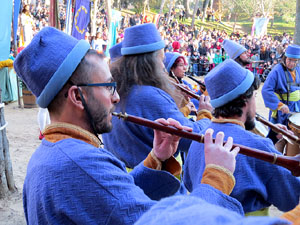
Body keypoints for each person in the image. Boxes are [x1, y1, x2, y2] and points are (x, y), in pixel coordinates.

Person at [14, 26, 245, 225]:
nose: (116, 98)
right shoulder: (82, 162)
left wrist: (155, 158)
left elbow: (110, 195)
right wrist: (217, 175)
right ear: (76, 96)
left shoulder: (49, 154)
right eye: (107, 87)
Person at [184, 59, 300, 215]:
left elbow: (188, 182)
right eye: (254, 96)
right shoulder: (258, 145)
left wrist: (271, 137)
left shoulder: (202, 137)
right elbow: (291, 198)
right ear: (246, 100)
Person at [103, 23, 213, 168]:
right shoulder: (148, 96)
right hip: (150, 182)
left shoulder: (117, 91)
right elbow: (191, 139)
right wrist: (205, 113)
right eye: (160, 60)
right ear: (149, 63)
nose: (163, 67)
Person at [262, 44, 300, 137]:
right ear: (285, 58)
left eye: (295, 61)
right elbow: (266, 90)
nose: (292, 63)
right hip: (281, 110)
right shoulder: (277, 70)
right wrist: (279, 105)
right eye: (289, 60)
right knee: (275, 137)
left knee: (292, 138)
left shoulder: (298, 69)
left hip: (296, 108)